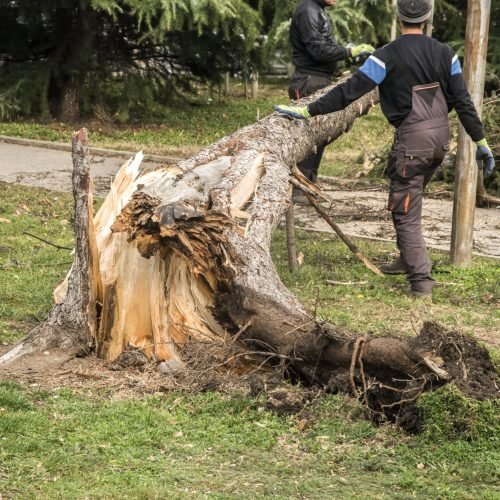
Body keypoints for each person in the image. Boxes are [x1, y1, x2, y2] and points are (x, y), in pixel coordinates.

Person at [275, 0, 495, 299]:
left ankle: (421, 282)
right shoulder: (446, 53)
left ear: (399, 16)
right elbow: (463, 101)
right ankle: (407, 258)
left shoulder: (385, 56)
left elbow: (347, 93)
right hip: (440, 142)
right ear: (427, 18)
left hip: (412, 144)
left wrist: (307, 111)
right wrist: (480, 141)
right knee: (406, 198)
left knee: (405, 209)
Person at [289, 0, 375, 184]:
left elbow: (325, 44)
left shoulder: (318, 10)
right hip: (308, 81)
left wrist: (347, 51)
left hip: (318, 79)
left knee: (318, 136)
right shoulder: (308, 10)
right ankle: (298, 189)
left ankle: (308, 184)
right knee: (307, 136)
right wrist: (348, 52)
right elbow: (317, 50)